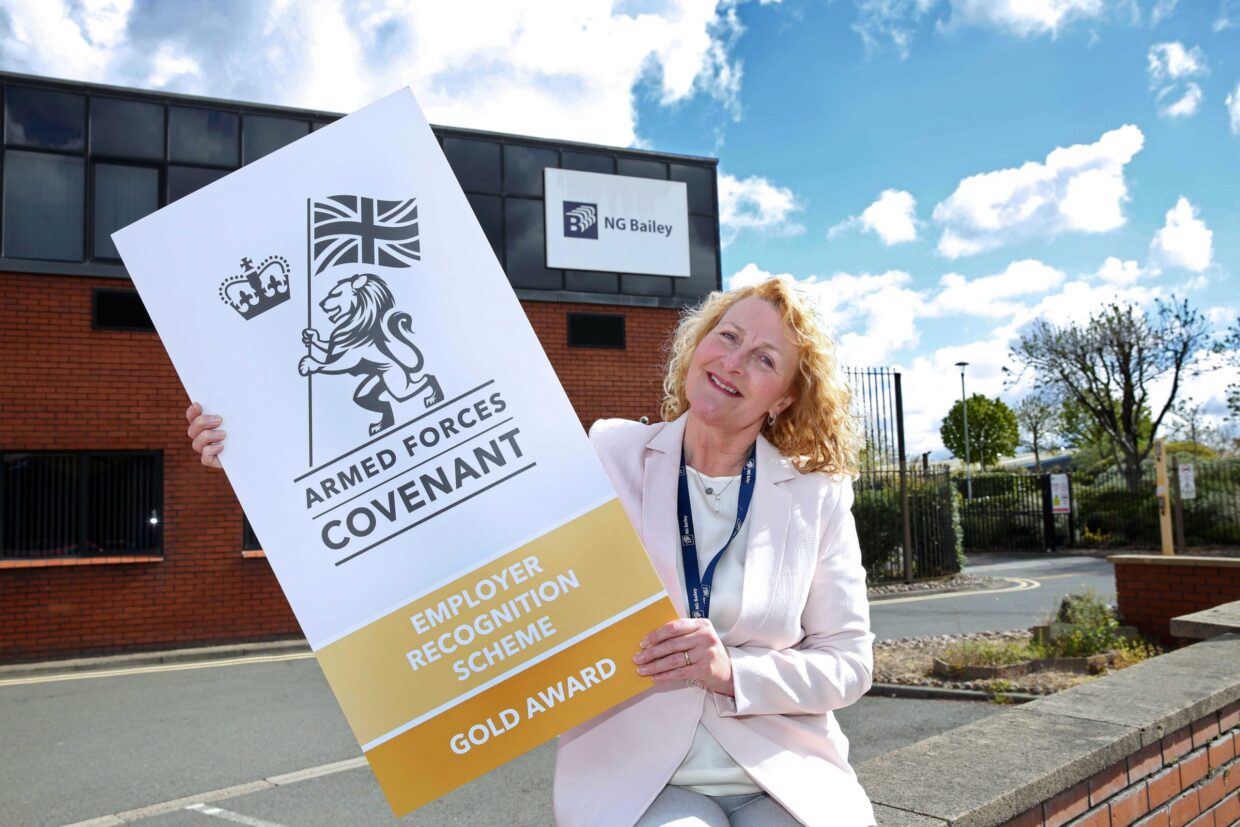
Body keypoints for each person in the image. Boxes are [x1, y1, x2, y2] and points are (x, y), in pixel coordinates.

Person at [185, 276, 874, 827]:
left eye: (764, 358)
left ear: (784, 397)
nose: (732, 361)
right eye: (727, 336)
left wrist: (734, 672)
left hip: (783, 771)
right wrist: (259, 457)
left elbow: (848, 663)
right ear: (698, 345)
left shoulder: (814, 495)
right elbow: (455, 492)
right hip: (640, 776)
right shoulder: (608, 451)